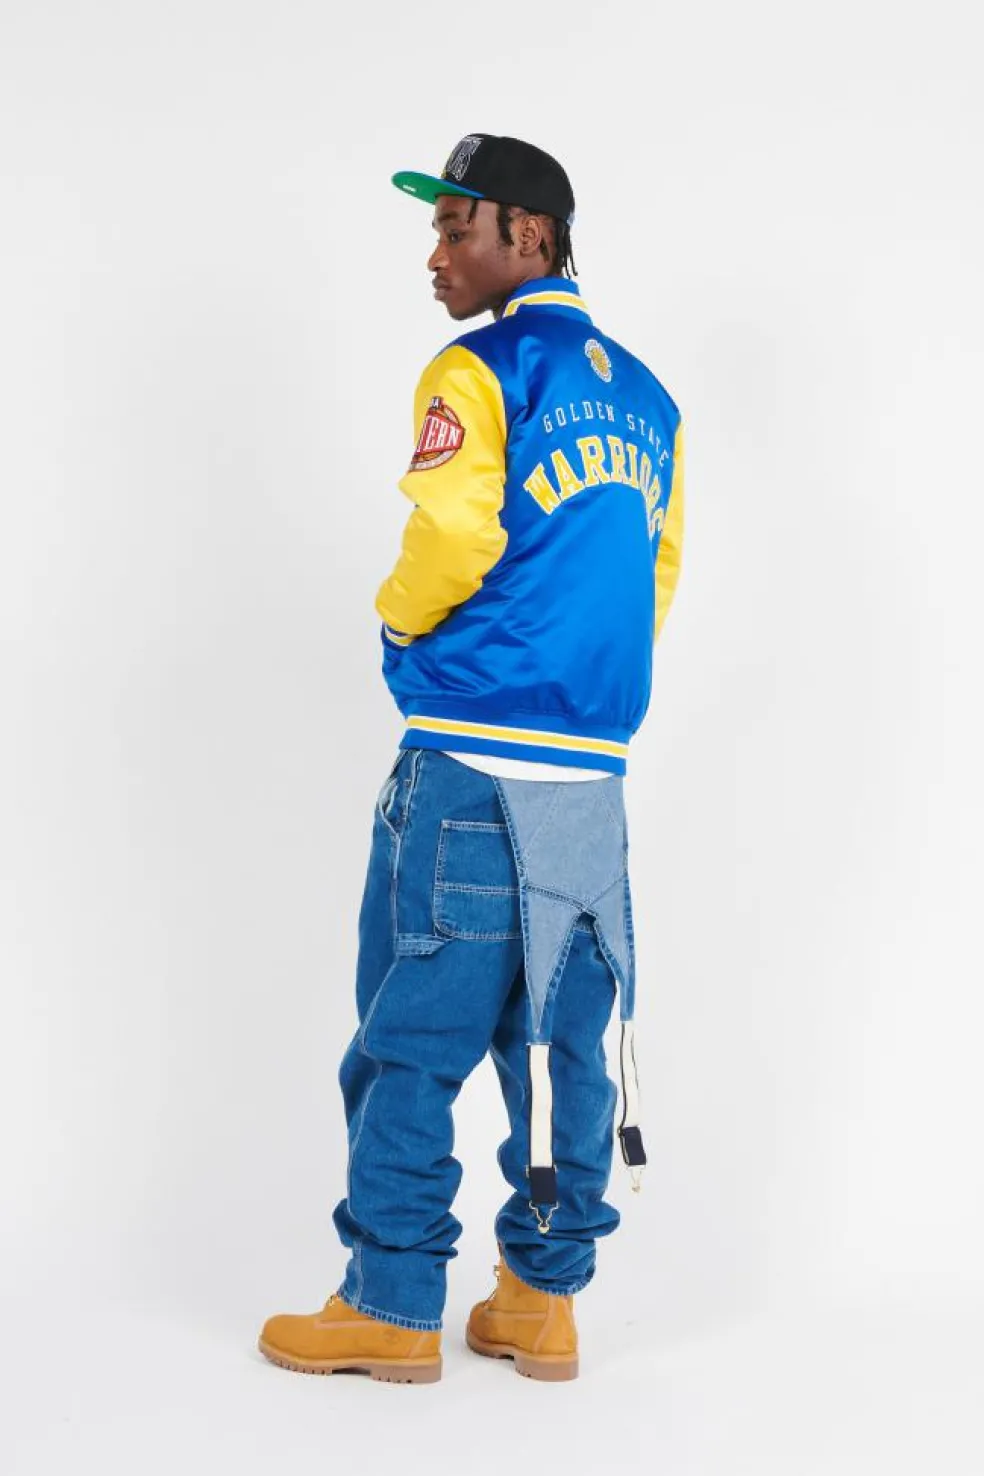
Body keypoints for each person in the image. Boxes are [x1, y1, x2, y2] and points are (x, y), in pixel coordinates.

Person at [258, 132, 685, 1384]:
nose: (437, 256)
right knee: (563, 1051)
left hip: (468, 764)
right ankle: (541, 1303)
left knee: (413, 1040)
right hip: (588, 779)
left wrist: (399, 623)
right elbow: (655, 573)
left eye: (457, 227)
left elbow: (450, 535)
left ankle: (392, 1304)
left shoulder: (478, 368)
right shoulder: (652, 402)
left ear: (529, 236)